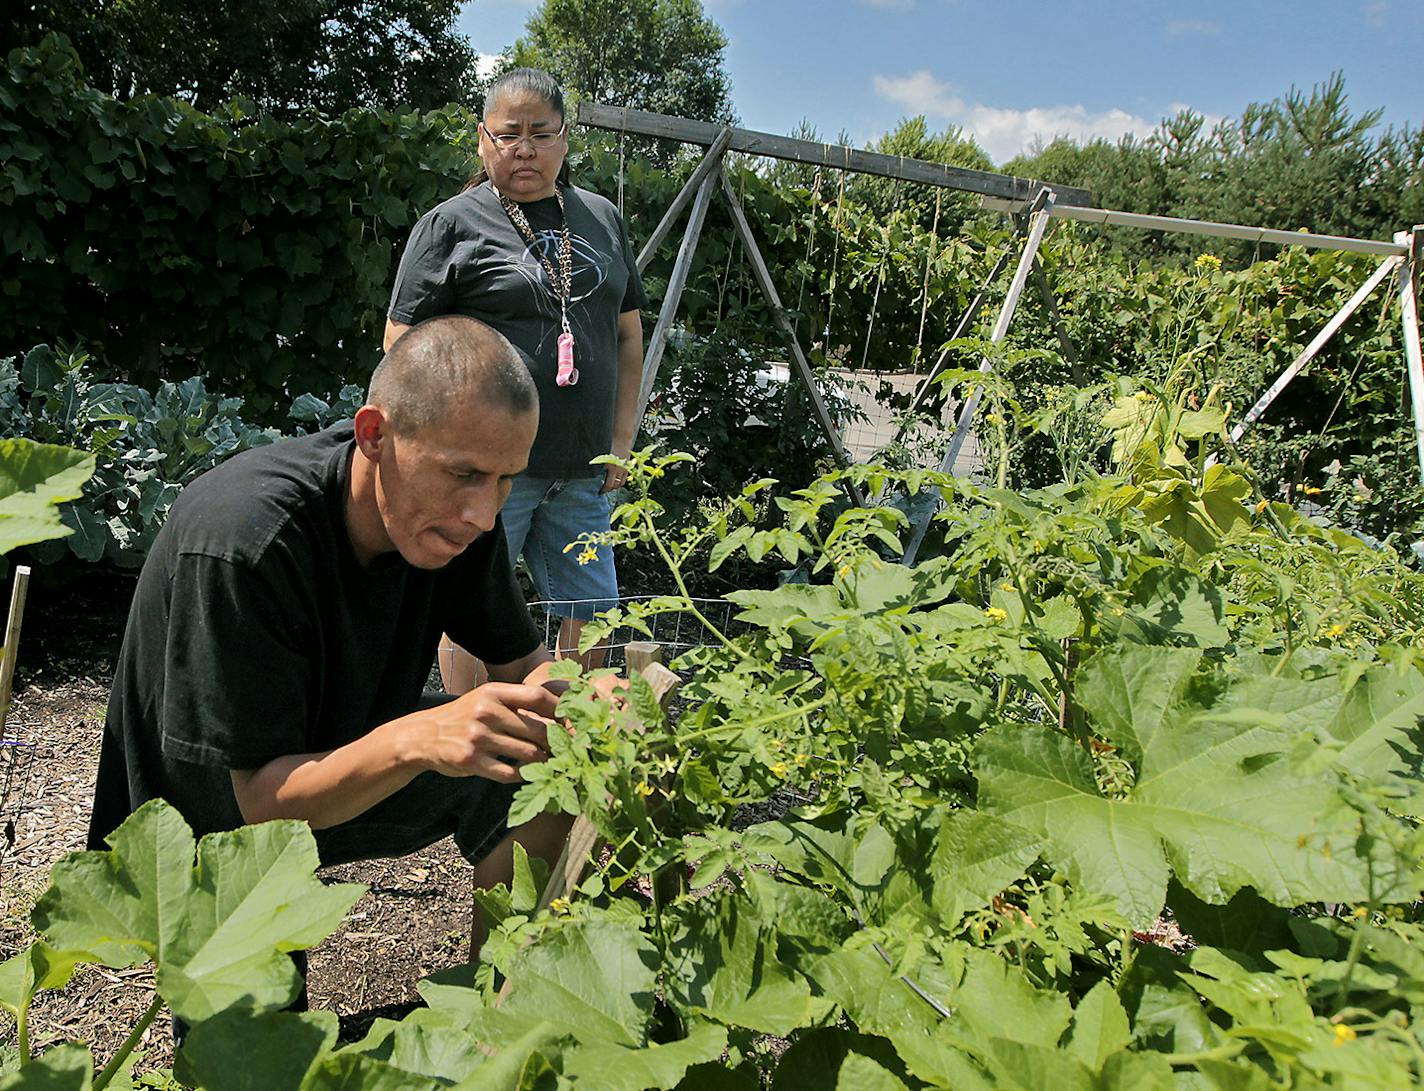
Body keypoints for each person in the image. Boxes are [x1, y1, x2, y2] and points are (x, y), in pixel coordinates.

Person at [87, 317, 573, 939]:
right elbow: (262, 805)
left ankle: (505, 1001)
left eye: (508, 478)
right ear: (374, 435)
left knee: (528, 769)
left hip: (333, 756)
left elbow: (522, 663)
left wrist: (584, 701)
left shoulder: (456, 520)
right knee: (259, 1037)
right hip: (213, 820)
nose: (484, 512)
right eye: (464, 474)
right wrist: (419, 737)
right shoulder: (248, 543)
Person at [385, 67, 647, 689]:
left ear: (564, 138)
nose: (524, 147)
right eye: (509, 134)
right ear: (483, 139)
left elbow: (629, 335)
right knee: (468, 613)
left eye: (540, 132)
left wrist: (622, 444)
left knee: (590, 614)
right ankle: (469, 753)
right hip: (491, 473)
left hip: (583, 470)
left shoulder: (603, 219)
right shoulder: (450, 225)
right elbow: (401, 347)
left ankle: (567, 742)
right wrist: (432, 457)